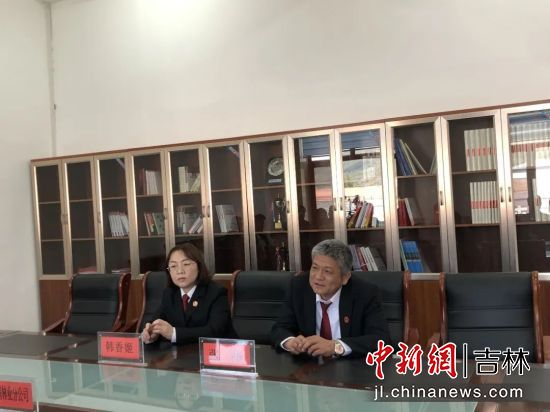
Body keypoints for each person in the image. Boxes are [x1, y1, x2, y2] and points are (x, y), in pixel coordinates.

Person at [271, 239, 390, 358]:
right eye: (315, 268)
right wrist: (290, 342)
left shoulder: (365, 293)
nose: (318, 277)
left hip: (351, 366)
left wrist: (335, 347)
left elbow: (381, 340)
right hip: (309, 366)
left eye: (327, 271)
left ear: (345, 277)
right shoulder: (298, 287)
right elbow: (280, 328)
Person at [142, 243, 234, 345]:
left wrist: (174, 333)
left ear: (199, 267)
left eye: (186, 264)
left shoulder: (216, 293)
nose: (180, 271)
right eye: (173, 266)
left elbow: (215, 331)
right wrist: (152, 332)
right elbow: (156, 319)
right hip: (183, 353)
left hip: (220, 351)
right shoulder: (169, 293)